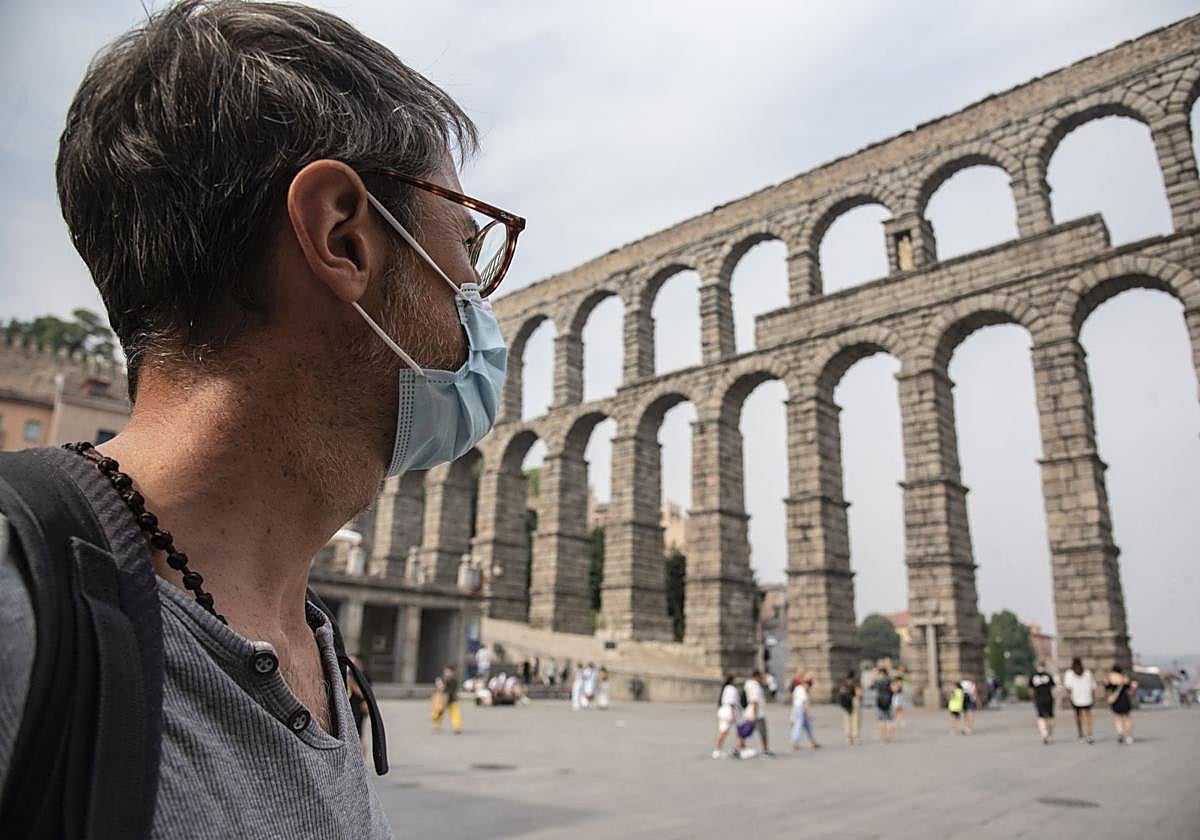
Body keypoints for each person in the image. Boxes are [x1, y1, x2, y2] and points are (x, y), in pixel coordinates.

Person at [0, 2, 514, 837]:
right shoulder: (18, 620)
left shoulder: (309, 642)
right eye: (468, 246)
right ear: (343, 236)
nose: (478, 308)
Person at [1064, 657, 1097, 743]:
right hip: (1087, 697)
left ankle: (1081, 734)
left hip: (1076, 698)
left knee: (1078, 717)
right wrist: (1093, 697)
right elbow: (1093, 687)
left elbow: (1068, 688)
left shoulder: (1069, 673)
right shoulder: (1087, 673)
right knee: (1088, 717)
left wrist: (1069, 697)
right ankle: (1089, 734)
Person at [1104, 664, 1137, 745]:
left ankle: (1120, 733)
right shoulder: (1123, 678)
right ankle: (1129, 737)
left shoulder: (1110, 677)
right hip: (1124, 700)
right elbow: (1131, 688)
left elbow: (1107, 687)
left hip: (1116, 701)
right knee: (1127, 718)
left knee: (1118, 718)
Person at [744, 670, 773, 756]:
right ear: (757, 676)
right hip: (757, 713)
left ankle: (739, 747)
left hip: (749, 712)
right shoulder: (755, 686)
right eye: (761, 676)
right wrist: (754, 715)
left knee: (745, 731)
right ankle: (765, 750)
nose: (762, 678)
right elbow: (755, 701)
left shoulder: (748, 684)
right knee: (763, 732)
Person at [789, 673, 820, 750]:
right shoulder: (801, 690)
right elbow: (804, 703)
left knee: (808, 726)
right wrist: (809, 713)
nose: (809, 688)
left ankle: (813, 742)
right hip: (800, 709)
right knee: (798, 726)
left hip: (797, 708)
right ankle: (795, 743)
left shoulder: (798, 688)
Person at [1030, 661, 1057, 744]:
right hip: (1047, 698)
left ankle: (1045, 733)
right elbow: (1053, 688)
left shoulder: (1033, 676)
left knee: (1042, 717)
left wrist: (1032, 698)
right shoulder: (1048, 676)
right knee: (1048, 716)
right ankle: (1048, 733)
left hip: (1040, 698)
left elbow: (1031, 689)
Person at [714, 675, 741, 759]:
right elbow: (731, 702)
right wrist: (732, 715)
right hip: (729, 712)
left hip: (724, 711)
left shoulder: (725, 688)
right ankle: (718, 750)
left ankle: (719, 749)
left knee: (724, 731)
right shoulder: (731, 689)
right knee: (726, 732)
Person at [837, 670, 862, 745]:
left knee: (847, 720)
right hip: (854, 702)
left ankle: (849, 737)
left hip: (846, 704)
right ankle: (855, 736)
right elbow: (859, 694)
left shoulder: (844, 684)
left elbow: (841, 693)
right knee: (855, 719)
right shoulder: (856, 684)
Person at [873, 667, 895, 742]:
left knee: (881, 720)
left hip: (880, 701)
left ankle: (883, 736)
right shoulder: (889, 680)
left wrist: (875, 675)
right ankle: (889, 736)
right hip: (889, 701)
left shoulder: (877, 681)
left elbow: (870, 686)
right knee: (889, 720)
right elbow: (894, 689)